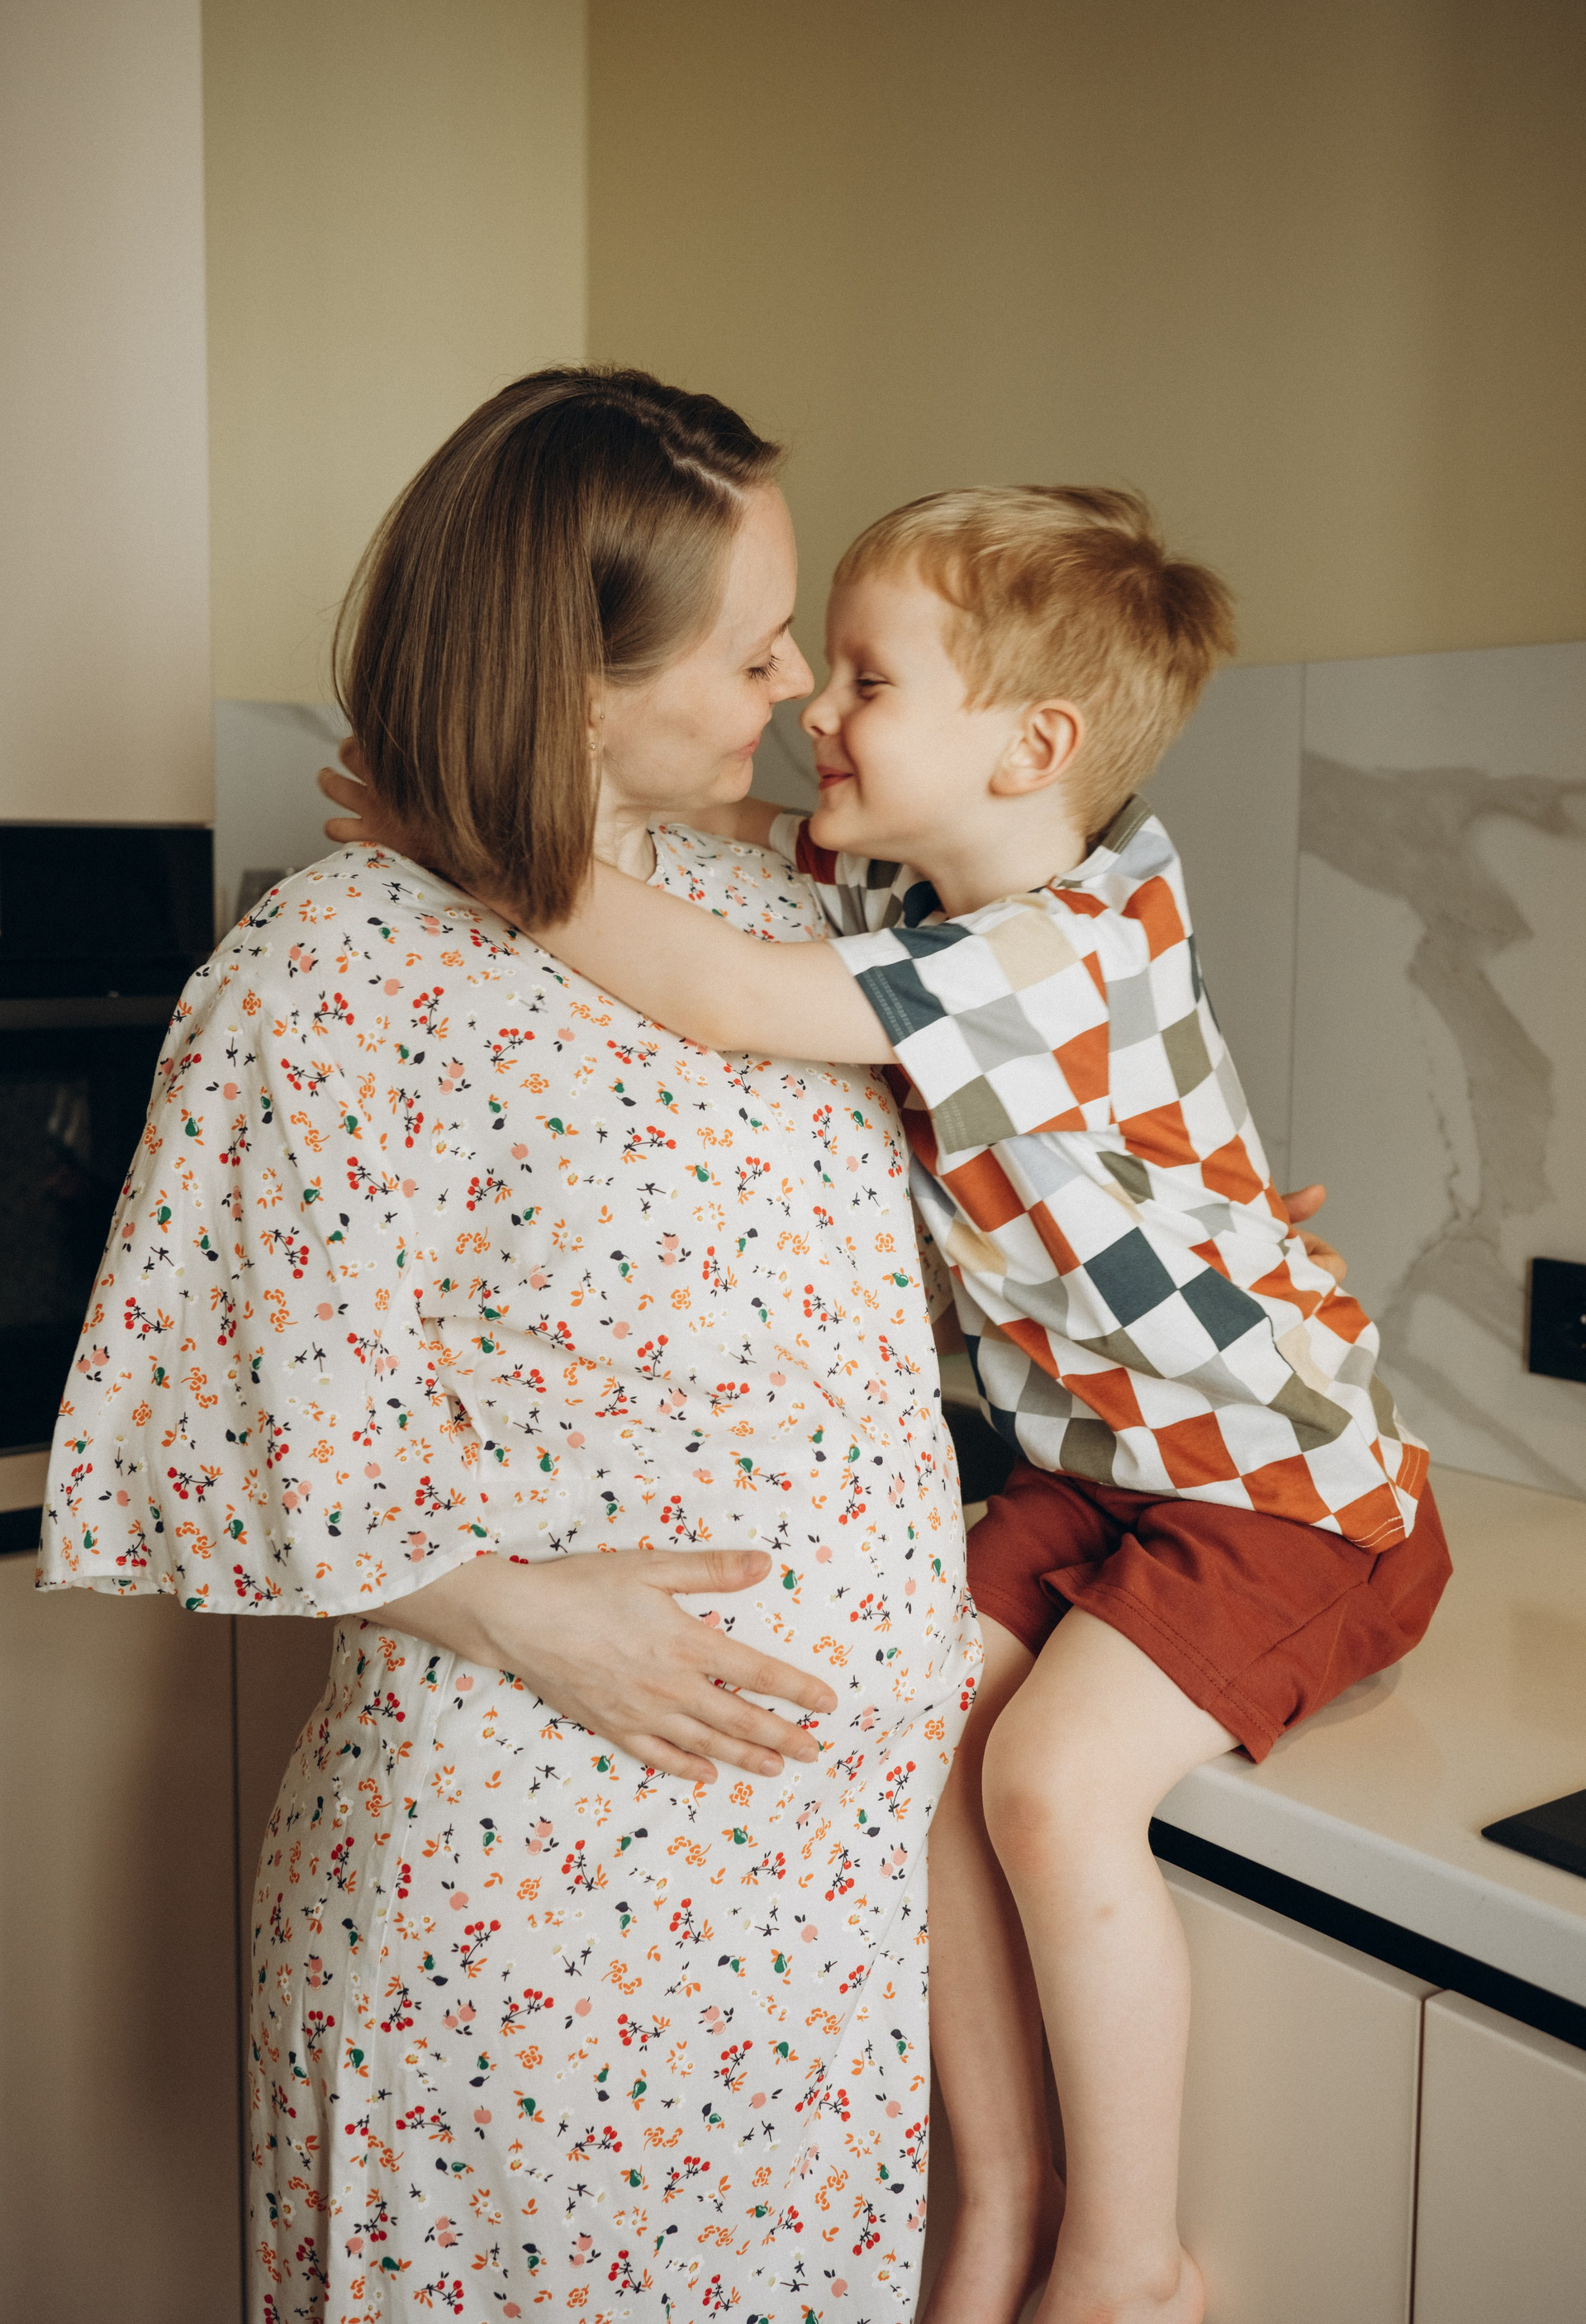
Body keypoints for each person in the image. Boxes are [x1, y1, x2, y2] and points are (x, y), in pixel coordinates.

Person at [40, 368, 982, 2322]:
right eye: (752, 647)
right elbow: (218, 1425)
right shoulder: (338, 968)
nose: (796, 688)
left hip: (816, 1929)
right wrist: (537, 1621)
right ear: (574, 684)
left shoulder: (777, 917)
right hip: (532, 1910)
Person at [521, 483, 1454, 2324]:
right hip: (1110, 1467)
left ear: (1033, 749)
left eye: (867, 680)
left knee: (1051, 1778)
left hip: (1293, 1494)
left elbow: (729, 990)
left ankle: (1129, 2259)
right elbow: (732, 837)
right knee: (911, 1697)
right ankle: (1001, 2197)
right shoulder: (929, 898)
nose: (815, 708)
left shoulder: (1056, 951)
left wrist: (482, 847)